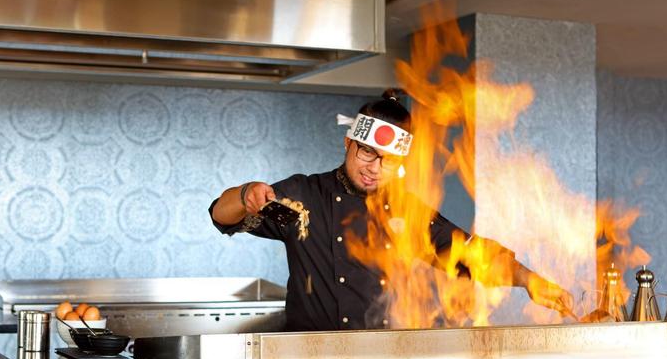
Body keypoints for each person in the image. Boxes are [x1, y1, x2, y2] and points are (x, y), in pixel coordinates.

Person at [209, 90, 573, 331]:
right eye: (367, 152)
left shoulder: (406, 212)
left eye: (389, 160)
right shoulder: (303, 195)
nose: (374, 167)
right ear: (349, 142)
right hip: (306, 358)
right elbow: (219, 215)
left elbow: (472, 253)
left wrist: (528, 279)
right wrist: (245, 195)